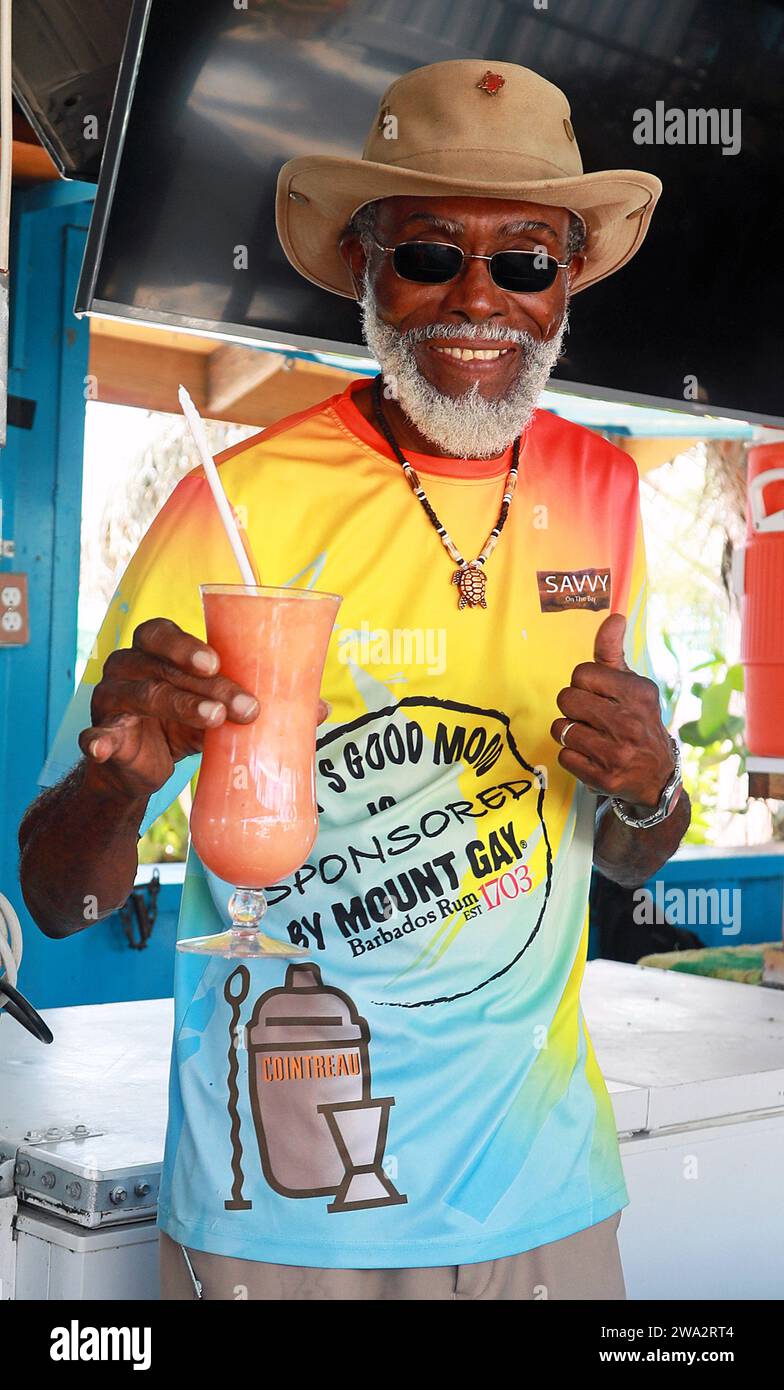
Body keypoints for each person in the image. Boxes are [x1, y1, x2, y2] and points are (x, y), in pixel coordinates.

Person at [19, 59, 688, 1301]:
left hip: (541, 1199)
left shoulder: (607, 493)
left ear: (567, 284)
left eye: (525, 262)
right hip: (281, 1219)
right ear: (368, 268)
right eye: (429, 254)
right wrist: (115, 789)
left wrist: (650, 790)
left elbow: (627, 850)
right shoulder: (236, 505)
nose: (476, 298)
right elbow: (56, 898)